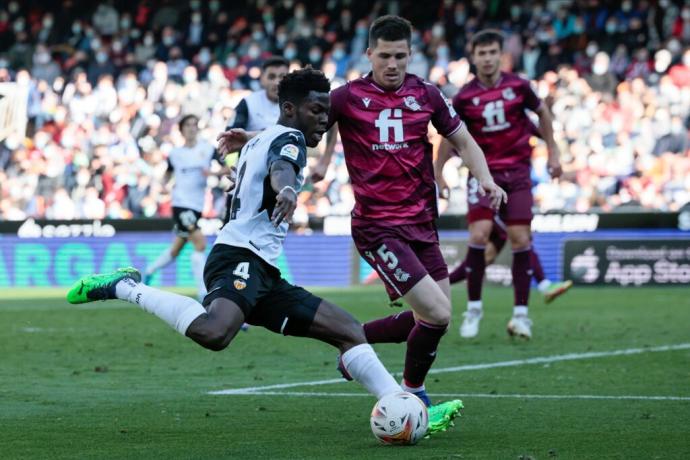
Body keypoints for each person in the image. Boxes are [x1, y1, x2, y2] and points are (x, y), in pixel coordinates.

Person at [66, 68, 463, 433]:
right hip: (239, 257)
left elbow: (273, 151)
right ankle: (125, 286)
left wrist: (261, 154)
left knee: (349, 331)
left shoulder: (268, 136)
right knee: (215, 331)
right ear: (289, 109)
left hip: (262, 270)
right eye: (315, 110)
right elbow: (282, 166)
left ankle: (407, 407)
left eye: (327, 111)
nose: (324, 120)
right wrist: (288, 187)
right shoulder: (288, 140)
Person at [221, 16, 506, 406]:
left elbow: (464, 140)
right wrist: (252, 137)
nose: (393, 64)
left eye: (401, 56)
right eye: (385, 56)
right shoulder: (348, 96)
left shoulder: (428, 95)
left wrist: (486, 179)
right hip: (378, 226)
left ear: (411, 55)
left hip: (423, 223)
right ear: (370, 54)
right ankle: (412, 396)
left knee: (437, 319)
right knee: (436, 315)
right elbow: (299, 128)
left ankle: (355, 341)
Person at [443, 29, 563, 340]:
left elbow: (543, 113)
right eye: (481, 53)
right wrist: (438, 171)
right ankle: (473, 309)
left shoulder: (520, 86)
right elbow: (449, 134)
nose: (486, 58)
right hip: (484, 175)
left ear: (501, 55)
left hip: (518, 173)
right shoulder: (464, 96)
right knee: (479, 234)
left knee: (521, 239)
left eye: (491, 52)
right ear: (473, 57)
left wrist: (554, 152)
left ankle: (521, 315)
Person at [143, 114, 223, 300]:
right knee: (200, 244)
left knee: (176, 249)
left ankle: (149, 270)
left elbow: (227, 167)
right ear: (181, 129)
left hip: (196, 206)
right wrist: (160, 187)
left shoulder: (207, 149)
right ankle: (204, 294)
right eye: (188, 125)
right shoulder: (175, 154)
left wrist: (214, 172)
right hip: (180, 204)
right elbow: (167, 175)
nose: (192, 128)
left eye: (195, 124)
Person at [445, 214, 573, 303]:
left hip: (501, 203)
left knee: (486, 258)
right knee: (522, 238)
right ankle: (544, 285)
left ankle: (441, 282)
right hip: (491, 203)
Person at [222, 57, 289, 224]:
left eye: (282, 76)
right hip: (245, 183)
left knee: (267, 240)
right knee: (230, 234)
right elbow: (230, 139)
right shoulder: (248, 103)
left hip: (278, 184)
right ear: (262, 79)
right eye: (272, 76)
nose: (277, 82)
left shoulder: (295, 106)